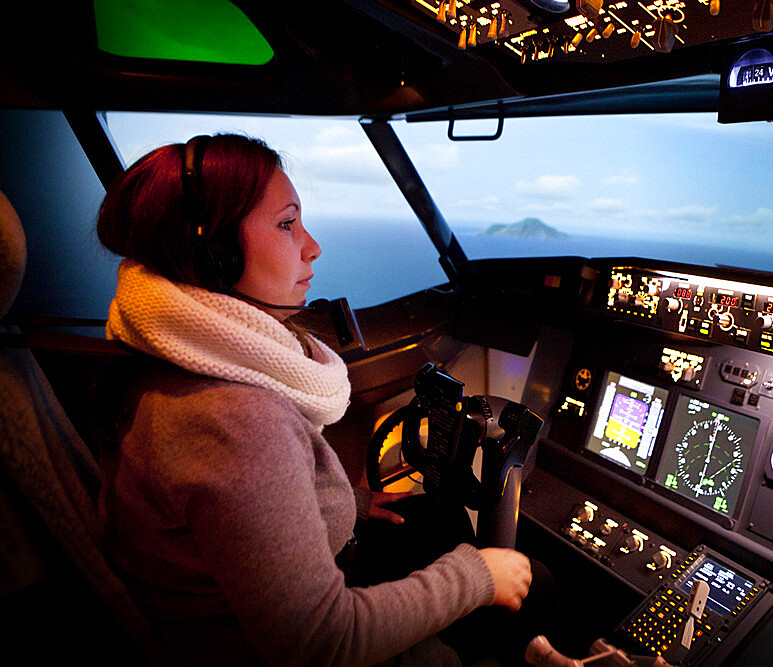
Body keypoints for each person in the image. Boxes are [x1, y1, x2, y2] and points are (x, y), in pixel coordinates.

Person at [96, 133, 534, 666]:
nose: (312, 245)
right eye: (286, 224)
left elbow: (240, 509)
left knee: (429, 523)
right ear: (216, 256)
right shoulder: (235, 420)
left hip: (237, 610)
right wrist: (478, 576)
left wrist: (339, 503)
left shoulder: (165, 355)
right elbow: (324, 642)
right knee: (528, 602)